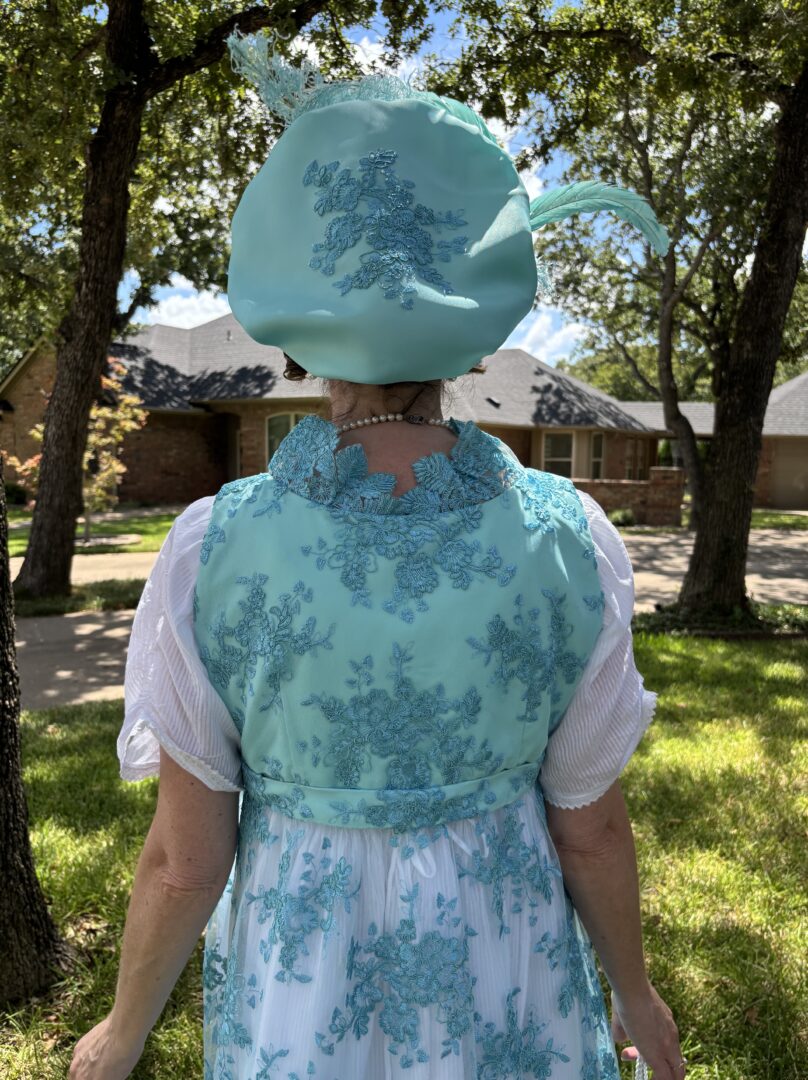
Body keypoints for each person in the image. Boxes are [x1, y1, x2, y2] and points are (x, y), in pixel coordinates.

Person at [70, 32, 683, 1080]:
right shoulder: (567, 539)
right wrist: (636, 994)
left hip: (303, 979)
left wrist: (121, 1035)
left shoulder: (213, 549)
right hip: (508, 971)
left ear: (296, 335)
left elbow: (184, 856)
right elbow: (592, 827)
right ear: (474, 340)